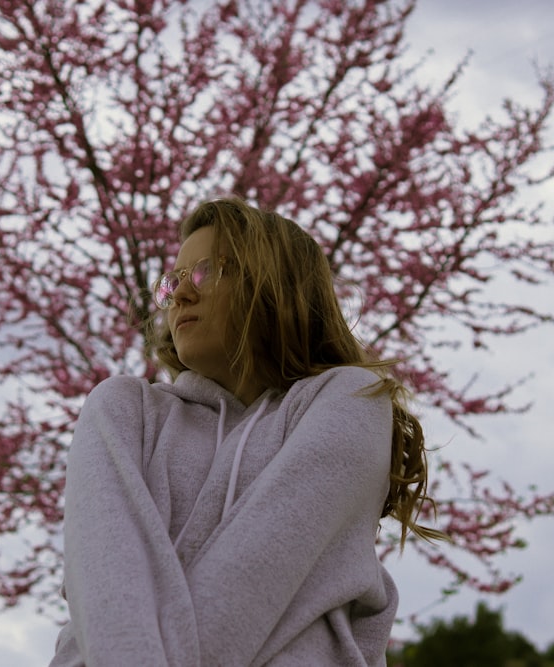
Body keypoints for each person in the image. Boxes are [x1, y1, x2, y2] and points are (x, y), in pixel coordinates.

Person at [48, 197, 442, 667]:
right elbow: (103, 581)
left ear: (276, 284)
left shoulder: (352, 399)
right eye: (173, 281)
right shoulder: (122, 409)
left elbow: (255, 579)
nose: (179, 295)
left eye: (207, 271)